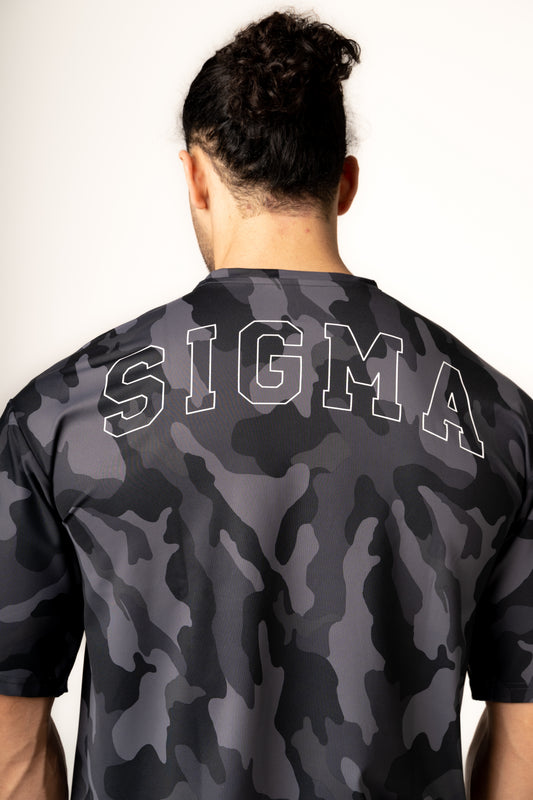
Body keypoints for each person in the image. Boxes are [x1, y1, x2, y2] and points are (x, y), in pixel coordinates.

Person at [0, 10, 532, 800]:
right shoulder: (498, 421)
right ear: (343, 183)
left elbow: (10, 740)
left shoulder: (60, 412)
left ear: (195, 177)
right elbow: (526, 741)